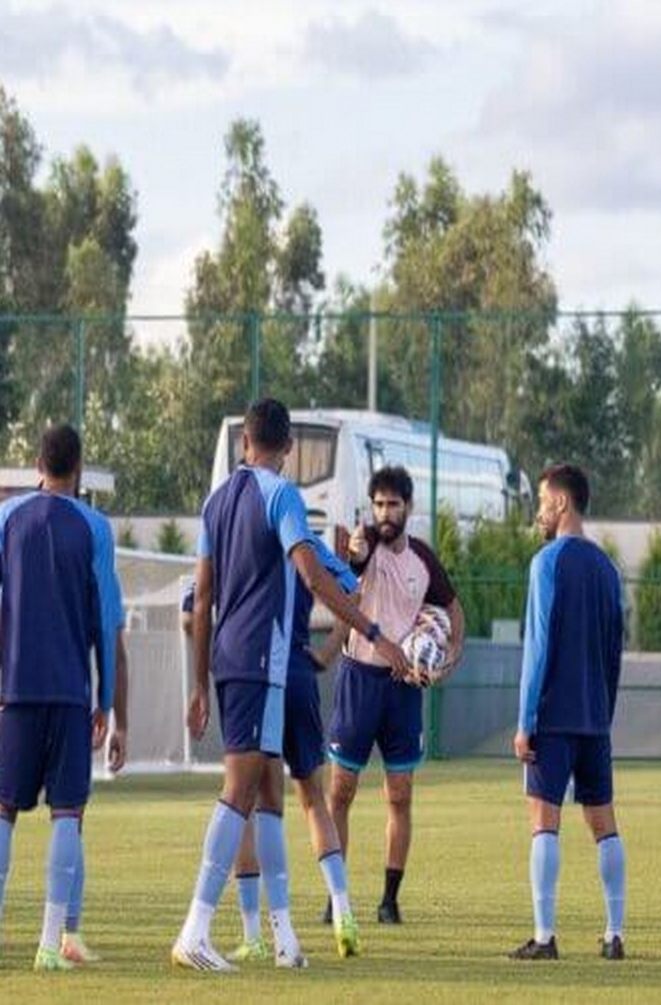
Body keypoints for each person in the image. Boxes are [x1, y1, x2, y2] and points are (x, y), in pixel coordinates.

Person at [171, 399, 408, 973]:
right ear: (289, 449)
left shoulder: (215, 501)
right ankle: (195, 930)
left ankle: (284, 940)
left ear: (244, 442)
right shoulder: (282, 496)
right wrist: (374, 631)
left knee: (272, 800)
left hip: (234, 660)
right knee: (241, 790)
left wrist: (199, 683)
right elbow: (311, 573)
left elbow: (201, 599)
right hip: (261, 658)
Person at [0, 424, 120, 973]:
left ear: (37, 464)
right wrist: (107, 700)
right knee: (67, 815)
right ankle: (51, 944)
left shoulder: (8, 518)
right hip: (72, 694)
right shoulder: (92, 527)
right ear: (78, 468)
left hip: (17, 694)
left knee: (1, 810)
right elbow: (105, 619)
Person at [323, 466, 465, 925]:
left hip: (402, 691)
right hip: (358, 680)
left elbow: (453, 609)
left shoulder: (423, 559)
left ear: (409, 507)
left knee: (399, 796)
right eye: (379, 504)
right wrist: (354, 554)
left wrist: (452, 655)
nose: (385, 513)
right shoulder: (364, 546)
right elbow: (354, 563)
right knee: (340, 792)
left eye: (394, 504)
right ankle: (336, 896)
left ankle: (389, 899)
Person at [220, 529, 367, 962]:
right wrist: (327, 651)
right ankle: (343, 911)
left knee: (248, 803)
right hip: (300, 670)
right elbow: (354, 592)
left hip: (257, 670)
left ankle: (255, 934)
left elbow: (196, 600)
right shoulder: (309, 543)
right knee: (313, 801)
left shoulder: (239, 540)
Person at [509, 464, 626, 960]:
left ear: (561, 503)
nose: (539, 510)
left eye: (541, 499)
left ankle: (544, 937)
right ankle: (614, 934)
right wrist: (603, 712)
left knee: (543, 822)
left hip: (553, 721)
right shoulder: (607, 568)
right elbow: (615, 652)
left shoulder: (546, 563)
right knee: (605, 825)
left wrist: (524, 722)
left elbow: (537, 649)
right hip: (594, 722)